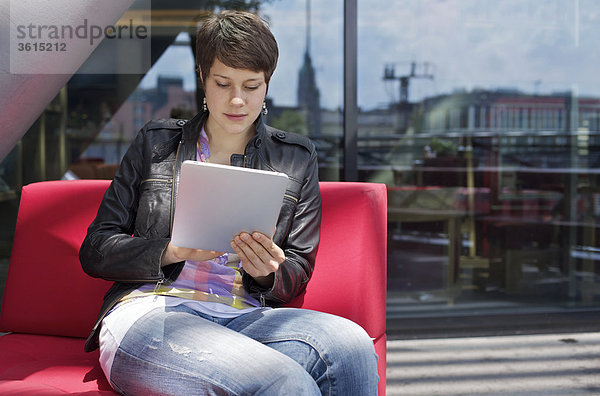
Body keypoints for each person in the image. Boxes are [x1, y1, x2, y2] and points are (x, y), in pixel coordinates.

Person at [80, 10, 378, 396]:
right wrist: (169, 251)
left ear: (266, 85)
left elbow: (298, 267)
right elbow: (96, 250)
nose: (238, 100)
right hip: (153, 313)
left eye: (252, 86)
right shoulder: (156, 144)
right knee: (286, 382)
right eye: (223, 83)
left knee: (351, 346)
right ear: (203, 77)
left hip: (244, 317)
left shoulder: (296, 158)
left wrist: (267, 272)